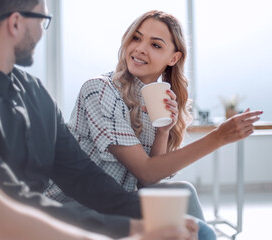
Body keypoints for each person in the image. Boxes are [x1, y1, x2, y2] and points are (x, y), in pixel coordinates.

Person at [0, 1, 197, 240]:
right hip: (12, 229)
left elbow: (84, 177)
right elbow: (6, 208)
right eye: (43, 20)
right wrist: (129, 228)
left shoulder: (35, 92)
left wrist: (152, 214)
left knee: (191, 223)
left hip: (39, 222)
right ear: (16, 23)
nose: (44, 32)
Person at [43, 9, 263, 239]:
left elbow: (148, 182)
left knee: (184, 192)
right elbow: (146, 172)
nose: (139, 48)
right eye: (137, 38)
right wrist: (219, 137)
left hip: (119, 205)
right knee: (199, 230)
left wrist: (162, 133)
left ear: (173, 58)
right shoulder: (99, 89)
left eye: (155, 45)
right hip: (72, 206)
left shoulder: (155, 101)